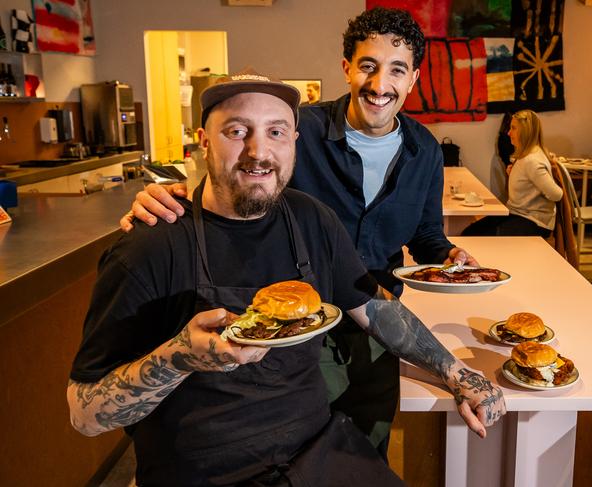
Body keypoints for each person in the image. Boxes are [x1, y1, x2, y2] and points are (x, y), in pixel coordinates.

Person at [67, 70, 505, 487]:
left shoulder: (311, 219)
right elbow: (85, 415)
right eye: (236, 131)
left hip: (315, 453)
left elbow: (375, 309)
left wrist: (456, 371)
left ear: (294, 141)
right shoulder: (150, 247)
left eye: (276, 131)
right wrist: (180, 356)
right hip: (203, 473)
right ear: (203, 142)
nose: (259, 152)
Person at [120, 7, 478, 455]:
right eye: (368, 65)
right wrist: (173, 195)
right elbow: (241, 176)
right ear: (347, 68)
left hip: (378, 321)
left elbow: (425, 233)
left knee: (366, 448)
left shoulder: (424, 149)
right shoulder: (296, 129)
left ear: (414, 79)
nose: (379, 84)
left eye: (396, 70)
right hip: (298, 324)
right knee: (295, 445)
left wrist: (448, 255)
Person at [462, 109, 563, 237]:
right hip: (517, 214)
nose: (509, 133)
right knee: (470, 233)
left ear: (525, 132)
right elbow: (529, 184)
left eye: (513, 128)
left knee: (474, 237)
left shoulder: (532, 161)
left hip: (534, 222)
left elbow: (557, 195)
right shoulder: (525, 156)